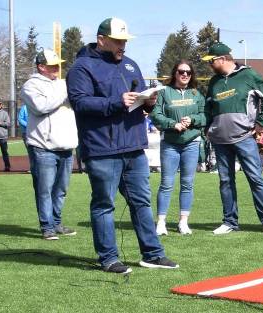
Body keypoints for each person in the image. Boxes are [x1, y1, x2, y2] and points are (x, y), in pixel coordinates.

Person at [67, 17, 178, 273]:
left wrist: (148, 102)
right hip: (102, 149)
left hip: (133, 146)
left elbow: (136, 100)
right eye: (118, 40)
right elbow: (80, 103)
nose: (122, 45)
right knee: (104, 204)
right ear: (102, 39)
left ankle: (152, 254)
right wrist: (116, 102)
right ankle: (108, 258)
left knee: (142, 202)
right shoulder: (81, 68)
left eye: (125, 41)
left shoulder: (130, 65)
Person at [202, 42, 263, 235]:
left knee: (255, 178)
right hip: (220, 141)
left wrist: (262, 122)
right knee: (225, 181)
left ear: (222, 59)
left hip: (244, 138)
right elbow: (208, 108)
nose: (209, 65)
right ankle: (229, 221)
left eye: (211, 61)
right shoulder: (214, 82)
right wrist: (207, 128)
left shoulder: (248, 75)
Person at [22, 49, 78, 240]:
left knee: (61, 189)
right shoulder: (30, 86)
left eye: (58, 65)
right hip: (42, 147)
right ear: (41, 66)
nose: (57, 68)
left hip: (66, 146)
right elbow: (40, 106)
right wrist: (63, 95)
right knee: (44, 190)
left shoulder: (63, 84)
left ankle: (56, 222)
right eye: (52, 65)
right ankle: (47, 227)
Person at [150, 60, 206, 236]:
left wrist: (193, 120)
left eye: (188, 73)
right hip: (170, 143)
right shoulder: (164, 92)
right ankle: (161, 222)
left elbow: (205, 116)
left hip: (192, 142)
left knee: (187, 183)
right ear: (175, 73)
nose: (185, 75)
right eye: (181, 71)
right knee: (166, 183)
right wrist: (172, 124)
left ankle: (183, 222)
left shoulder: (196, 93)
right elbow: (155, 115)